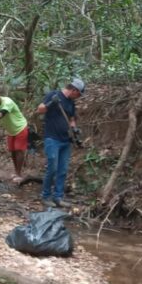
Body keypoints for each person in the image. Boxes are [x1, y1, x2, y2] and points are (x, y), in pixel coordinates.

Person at [36, 77, 85, 208]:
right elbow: (39, 110)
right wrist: (51, 103)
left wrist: (74, 129)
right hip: (52, 138)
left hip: (65, 140)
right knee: (52, 167)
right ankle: (46, 196)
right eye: (78, 94)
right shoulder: (53, 95)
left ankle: (58, 197)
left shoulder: (71, 103)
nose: (78, 97)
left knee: (62, 170)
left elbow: (72, 118)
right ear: (74, 90)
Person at [0, 87, 29, 183]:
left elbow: (2, 114)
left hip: (20, 127)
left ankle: (19, 174)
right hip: (10, 130)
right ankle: (16, 171)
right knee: (12, 151)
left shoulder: (7, 101)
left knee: (19, 150)